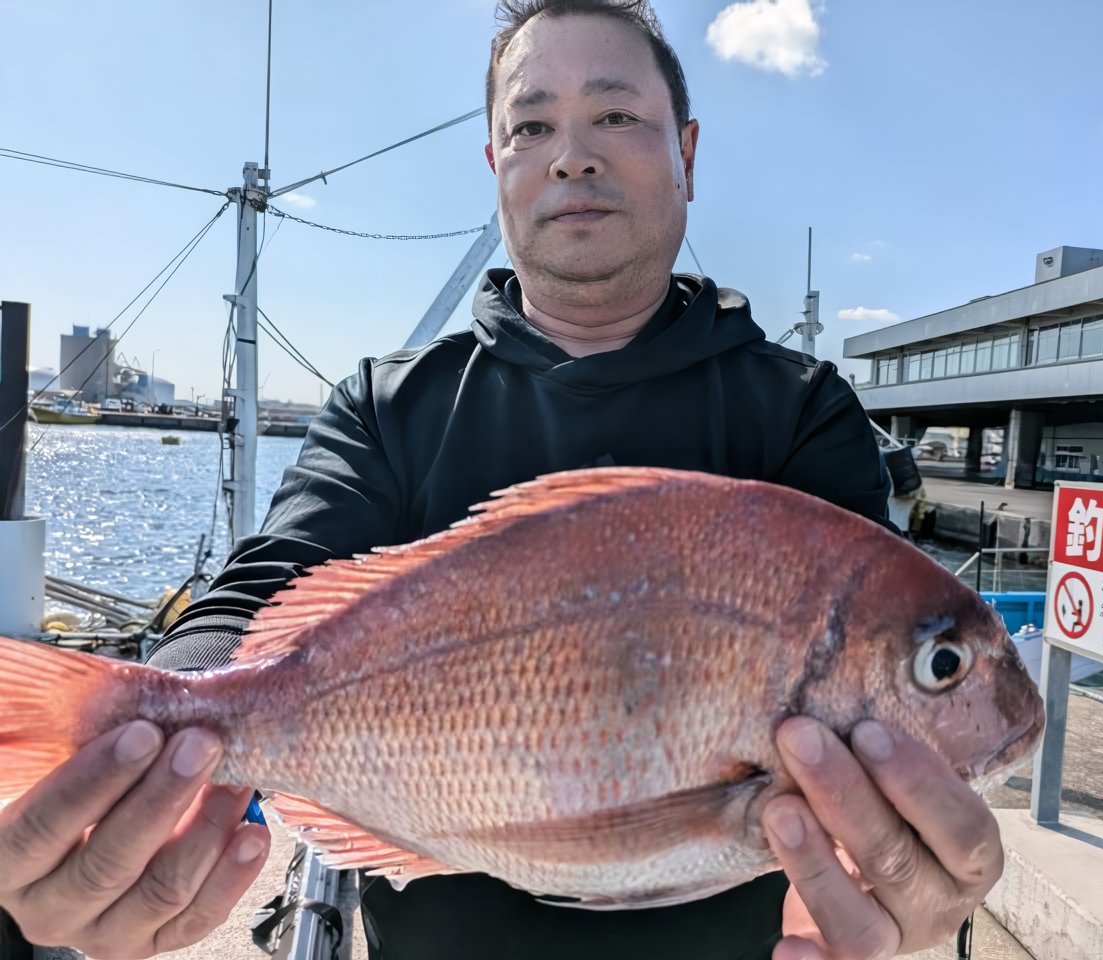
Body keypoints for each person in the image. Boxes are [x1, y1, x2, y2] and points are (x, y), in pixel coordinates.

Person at [0, 2, 1005, 958]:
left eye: (615, 112)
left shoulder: (800, 408)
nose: (571, 152)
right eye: (531, 126)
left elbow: (879, 688)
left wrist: (901, 871)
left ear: (686, 154)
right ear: (495, 166)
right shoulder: (387, 405)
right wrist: (154, 745)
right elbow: (270, 579)